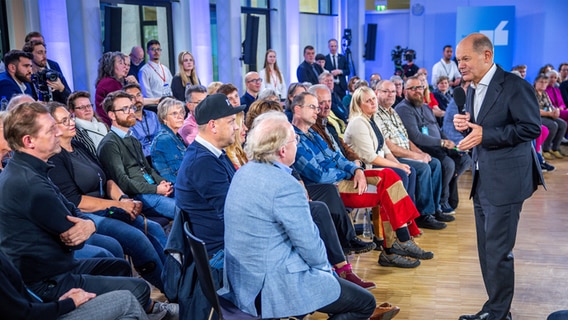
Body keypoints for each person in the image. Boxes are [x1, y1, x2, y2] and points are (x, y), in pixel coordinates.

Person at [0, 101, 177, 318]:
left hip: (57, 267)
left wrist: (89, 223)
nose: (58, 132)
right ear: (29, 141)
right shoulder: (30, 184)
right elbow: (75, 237)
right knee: (137, 288)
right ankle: (162, 305)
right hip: (48, 282)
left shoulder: (31, 169)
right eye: (51, 129)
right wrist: (88, 223)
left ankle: (162, 301)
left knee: (118, 267)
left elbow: (72, 210)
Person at [221, 111, 398, 320]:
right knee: (364, 303)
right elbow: (310, 245)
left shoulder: (244, 172)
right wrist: (328, 275)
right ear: (282, 150)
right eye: (295, 139)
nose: (297, 143)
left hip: (243, 279)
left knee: (342, 291)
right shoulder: (285, 185)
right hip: (272, 285)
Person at [453, 33, 544, 320]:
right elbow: (480, 130)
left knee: (498, 251)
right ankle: (495, 309)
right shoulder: (471, 89)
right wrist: (464, 126)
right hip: (483, 179)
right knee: (487, 249)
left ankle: (498, 313)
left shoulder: (514, 85)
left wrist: (485, 133)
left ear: (487, 56)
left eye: (466, 59)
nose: (461, 65)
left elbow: (531, 128)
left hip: (507, 181)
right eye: (458, 60)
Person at [47, 102, 168, 292]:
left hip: (110, 205)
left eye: (70, 117)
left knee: (153, 228)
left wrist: (123, 200)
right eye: (64, 121)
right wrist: (117, 205)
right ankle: (166, 291)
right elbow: (76, 201)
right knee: (137, 238)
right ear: (51, 127)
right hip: (88, 213)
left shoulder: (79, 145)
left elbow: (107, 178)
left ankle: (176, 283)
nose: (71, 122)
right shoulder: (55, 157)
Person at [175, 93, 245, 255]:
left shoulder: (213, 153)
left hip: (224, 240)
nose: (236, 127)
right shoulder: (203, 162)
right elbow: (232, 212)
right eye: (231, 121)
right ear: (213, 125)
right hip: (220, 251)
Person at [396, 76, 471, 218]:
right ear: (405, 91)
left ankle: (448, 187)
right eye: (412, 88)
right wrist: (442, 143)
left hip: (438, 145)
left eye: (419, 87)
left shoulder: (426, 107)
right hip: (423, 148)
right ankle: (440, 203)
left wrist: (450, 143)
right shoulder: (403, 109)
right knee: (448, 164)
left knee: (464, 159)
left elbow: (439, 129)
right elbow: (416, 137)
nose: (417, 91)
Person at [97, 91, 178, 221]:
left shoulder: (132, 138)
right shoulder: (109, 144)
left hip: (150, 189)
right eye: (125, 109)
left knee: (192, 199)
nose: (131, 112)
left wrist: (161, 182)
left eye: (132, 107)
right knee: (184, 210)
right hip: (137, 195)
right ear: (112, 115)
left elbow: (148, 169)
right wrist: (156, 189)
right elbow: (122, 182)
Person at [0, 250, 150, 320]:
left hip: (43, 308)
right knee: (127, 300)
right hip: (44, 315)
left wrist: (58, 303)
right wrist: (69, 303)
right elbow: (22, 314)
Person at [374, 80, 449, 216]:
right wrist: (416, 157)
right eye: (385, 91)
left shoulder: (393, 112)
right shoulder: (376, 114)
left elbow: (405, 139)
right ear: (376, 93)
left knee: (434, 163)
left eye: (392, 91)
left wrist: (422, 154)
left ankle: (435, 208)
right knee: (423, 167)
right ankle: (424, 214)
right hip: (391, 158)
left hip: (404, 153)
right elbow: (389, 146)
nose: (390, 95)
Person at [151, 98, 187, 183]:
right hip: (178, 187)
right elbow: (174, 173)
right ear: (164, 118)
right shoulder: (164, 139)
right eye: (174, 114)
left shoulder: (176, 136)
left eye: (182, 112)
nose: (180, 117)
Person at [124, 83, 161, 161]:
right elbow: (136, 149)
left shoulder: (152, 115)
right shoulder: (127, 121)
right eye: (132, 97)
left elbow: (160, 137)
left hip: (161, 156)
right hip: (143, 160)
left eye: (139, 95)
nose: (137, 100)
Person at [534, 73, 567, 160]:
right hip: (536, 117)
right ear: (535, 82)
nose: (543, 84)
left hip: (547, 115)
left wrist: (555, 112)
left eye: (545, 82)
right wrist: (550, 114)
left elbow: (550, 106)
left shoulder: (544, 93)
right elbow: (535, 110)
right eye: (541, 82)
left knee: (563, 124)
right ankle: (545, 149)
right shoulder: (532, 93)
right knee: (553, 125)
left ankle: (555, 148)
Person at [94, 51, 128, 126]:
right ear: (111, 66)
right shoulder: (111, 83)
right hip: (111, 126)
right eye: (120, 63)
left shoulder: (106, 81)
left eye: (124, 63)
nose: (125, 67)